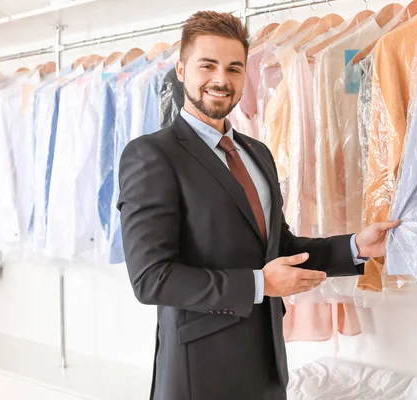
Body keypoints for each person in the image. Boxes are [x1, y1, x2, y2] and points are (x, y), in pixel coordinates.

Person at [117, 11, 400, 400]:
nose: (222, 79)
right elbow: (152, 278)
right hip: (199, 373)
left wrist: (354, 247)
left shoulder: (257, 153)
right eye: (208, 65)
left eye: (234, 68)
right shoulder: (152, 155)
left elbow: (279, 248)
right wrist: (259, 284)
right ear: (181, 69)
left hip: (267, 364)